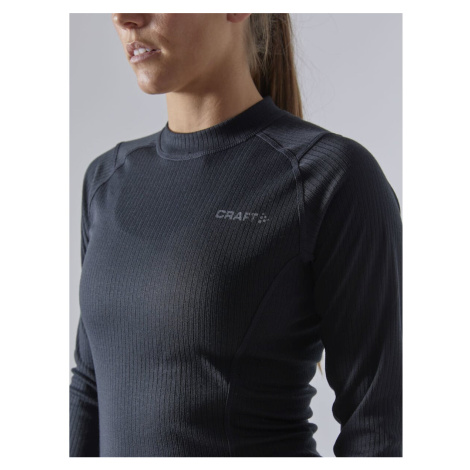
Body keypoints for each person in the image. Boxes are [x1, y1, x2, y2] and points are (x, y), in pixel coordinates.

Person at [69, 13, 402, 457]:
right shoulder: (107, 180)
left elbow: (378, 428)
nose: (124, 17)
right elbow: (90, 387)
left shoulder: (331, 177)